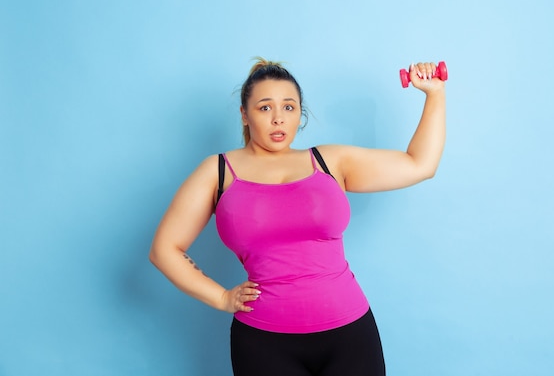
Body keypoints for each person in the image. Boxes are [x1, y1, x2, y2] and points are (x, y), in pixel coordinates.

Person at [149, 57, 446, 376]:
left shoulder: (330, 161)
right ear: (244, 115)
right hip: (263, 343)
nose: (278, 118)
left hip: (349, 334)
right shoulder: (218, 172)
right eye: (265, 108)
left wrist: (435, 94)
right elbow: (164, 250)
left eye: (289, 107)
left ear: (300, 114)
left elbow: (420, 164)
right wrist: (221, 297)